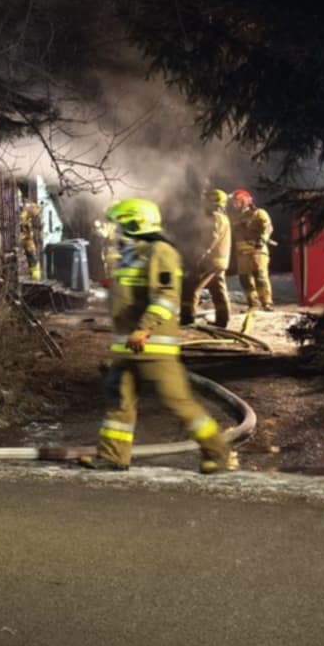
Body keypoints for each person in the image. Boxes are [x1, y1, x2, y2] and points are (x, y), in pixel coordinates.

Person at [81, 198, 234, 474]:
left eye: (121, 225)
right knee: (119, 404)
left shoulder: (161, 252)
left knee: (179, 403)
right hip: (126, 347)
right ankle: (112, 457)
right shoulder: (132, 254)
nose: (116, 231)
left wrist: (145, 327)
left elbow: (166, 297)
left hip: (152, 346)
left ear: (135, 223)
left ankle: (218, 454)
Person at [181, 188, 233, 328]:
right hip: (221, 261)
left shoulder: (214, 217)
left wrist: (200, 255)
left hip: (210, 261)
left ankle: (187, 319)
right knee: (218, 291)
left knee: (191, 288)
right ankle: (223, 320)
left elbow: (211, 238)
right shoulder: (224, 218)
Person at [231, 189, 273, 311]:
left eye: (237, 202)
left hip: (257, 252)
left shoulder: (259, 213)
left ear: (244, 201)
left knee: (260, 277)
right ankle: (253, 304)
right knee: (245, 280)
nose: (235, 205)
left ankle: (266, 303)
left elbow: (267, 227)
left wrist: (262, 240)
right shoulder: (235, 218)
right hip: (242, 255)